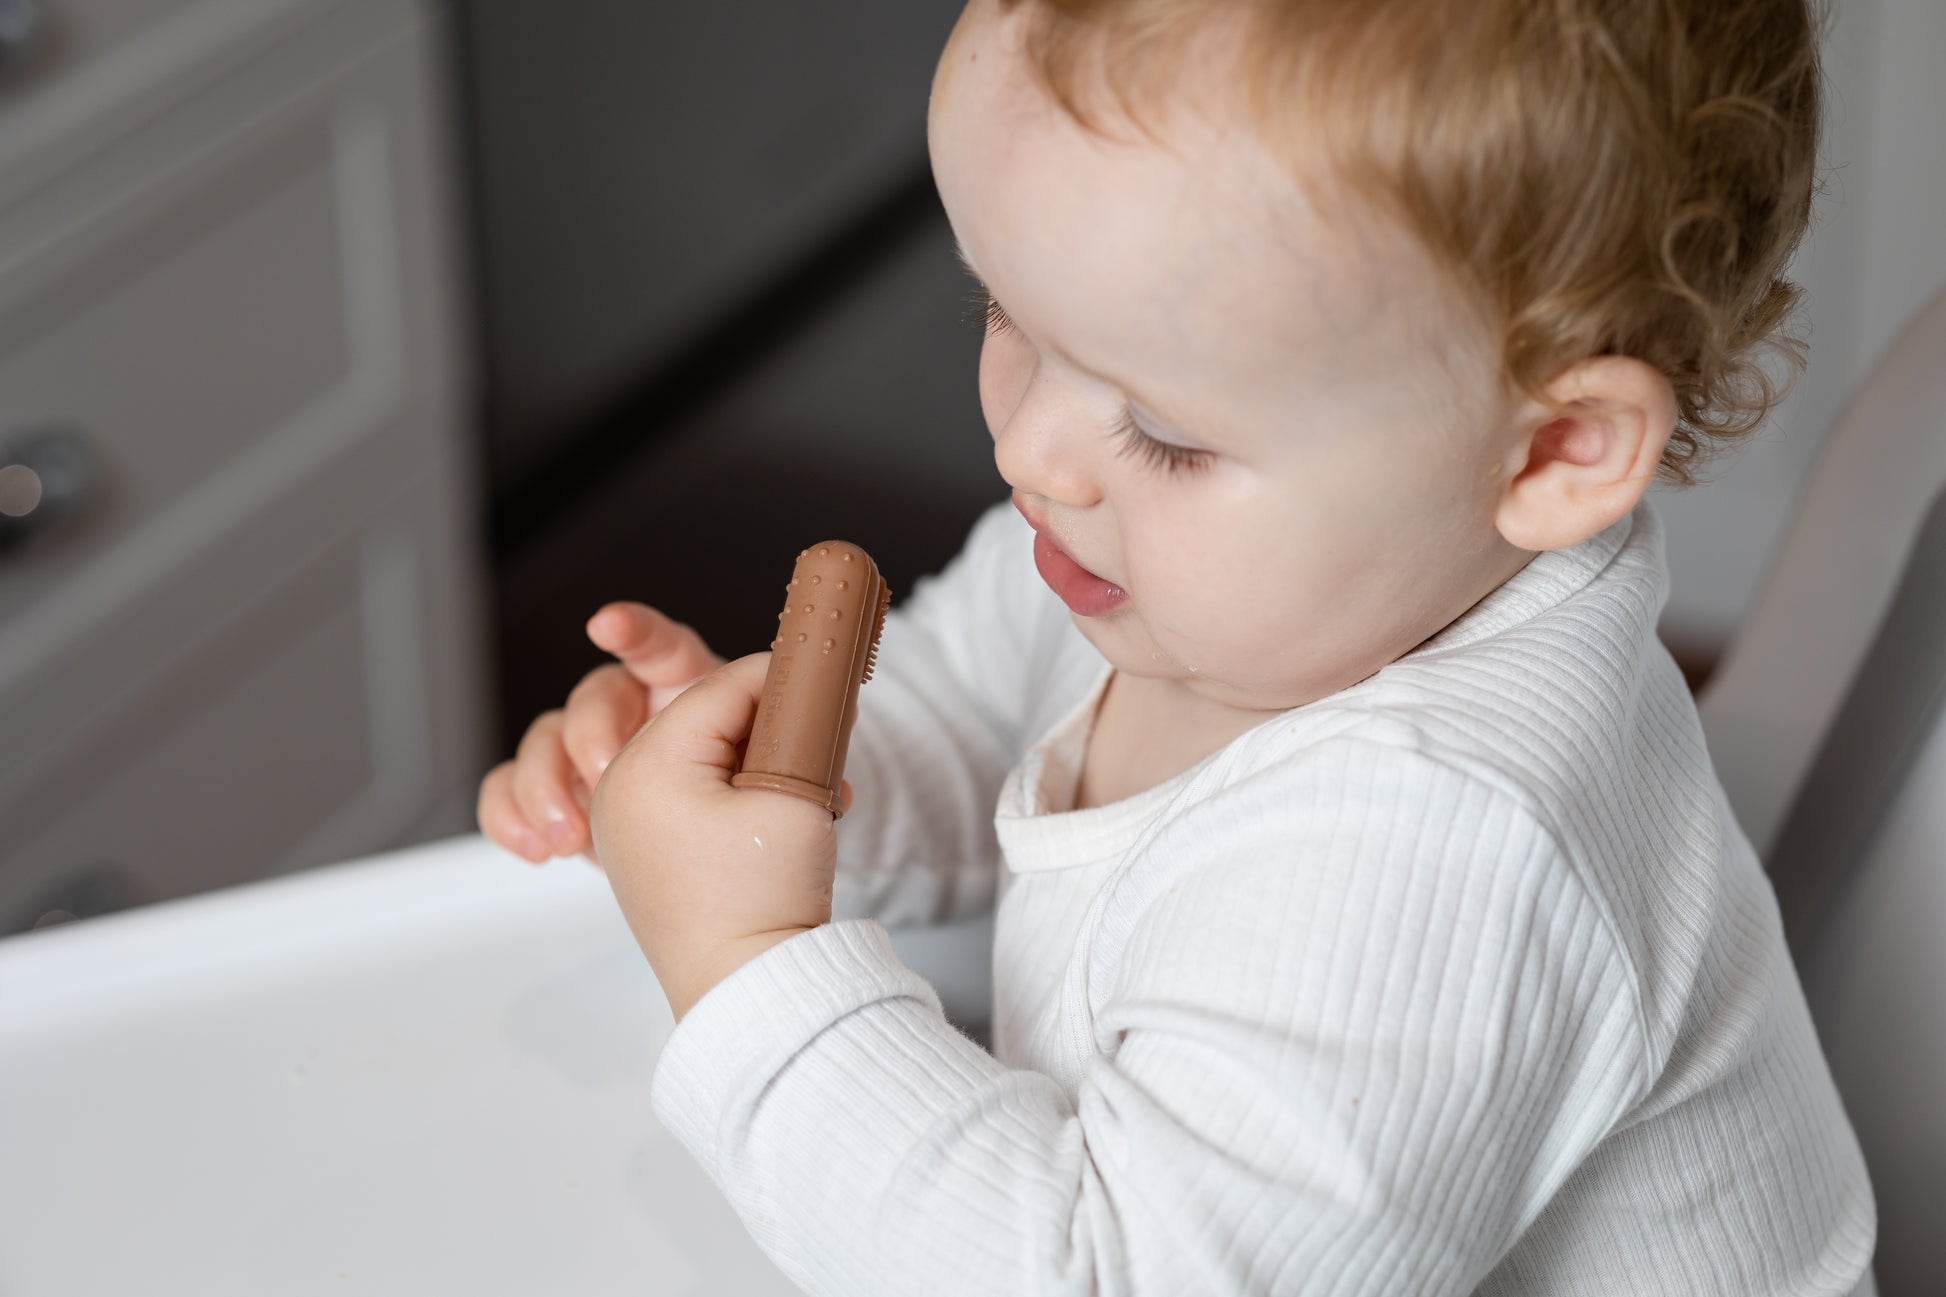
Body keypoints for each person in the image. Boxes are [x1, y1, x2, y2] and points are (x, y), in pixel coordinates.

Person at [477, 0, 1878, 1291]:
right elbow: (967, 706)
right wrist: (770, 780)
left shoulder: (1443, 847)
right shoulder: (1183, 560)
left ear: (1557, 449)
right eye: (1005, 316)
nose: (1029, 449)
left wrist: (744, 958)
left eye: (1164, 427)